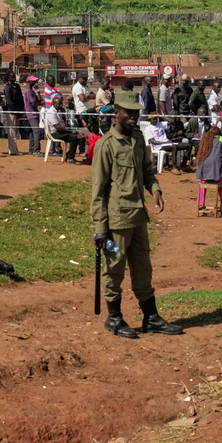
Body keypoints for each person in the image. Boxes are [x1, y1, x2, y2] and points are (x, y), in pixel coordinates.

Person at [91, 91, 180, 339]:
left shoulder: (138, 139)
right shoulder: (105, 146)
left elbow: (146, 170)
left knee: (143, 268)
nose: (134, 116)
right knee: (114, 269)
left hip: (138, 216)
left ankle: (151, 318)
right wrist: (100, 227)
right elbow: (97, 191)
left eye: (136, 112)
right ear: (116, 113)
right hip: (117, 220)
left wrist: (155, 189)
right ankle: (114, 318)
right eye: (129, 112)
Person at [195, 126, 222, 214]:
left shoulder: (204, 138)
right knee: (221, 184)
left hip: (202, 168)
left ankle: (201, 204)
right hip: (216, 169)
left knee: (203, 183)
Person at [44, 95, 85, 160]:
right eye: (59, 104)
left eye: (61, 104)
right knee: (73, 137)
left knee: (79, 134)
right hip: (54, 133)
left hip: (59, 131)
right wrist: (70, 131)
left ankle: (73, 153)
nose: (61, 105)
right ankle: (70, 157)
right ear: (54, 104)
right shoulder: (51, 112)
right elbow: (58, 127)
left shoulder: (58, 111)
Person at [2, 74, 23, 155]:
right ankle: (12, 150)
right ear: (8, 78)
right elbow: (9, 101)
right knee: (12, 131)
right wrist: (15, 112)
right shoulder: (7, 87)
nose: (14, 78)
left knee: (16, 131)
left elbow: (21, 98)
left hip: (18, 112)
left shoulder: (17, 86)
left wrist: (20, 111)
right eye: (12, 77)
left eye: (14, 76)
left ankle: (14, 149)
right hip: (11, 112)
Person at [24, 76, 42, 156]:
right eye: (33, 81)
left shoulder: (31, 91)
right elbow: (34, 102)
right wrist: (40, 104)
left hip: (33, 113)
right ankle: (36, 150)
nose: (34, 83)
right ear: (29, 82)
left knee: (32, 132)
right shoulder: (28, 91)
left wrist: (38, 91)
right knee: (37, 131)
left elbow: (38, 100)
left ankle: (31, 149)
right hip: (32, 113)